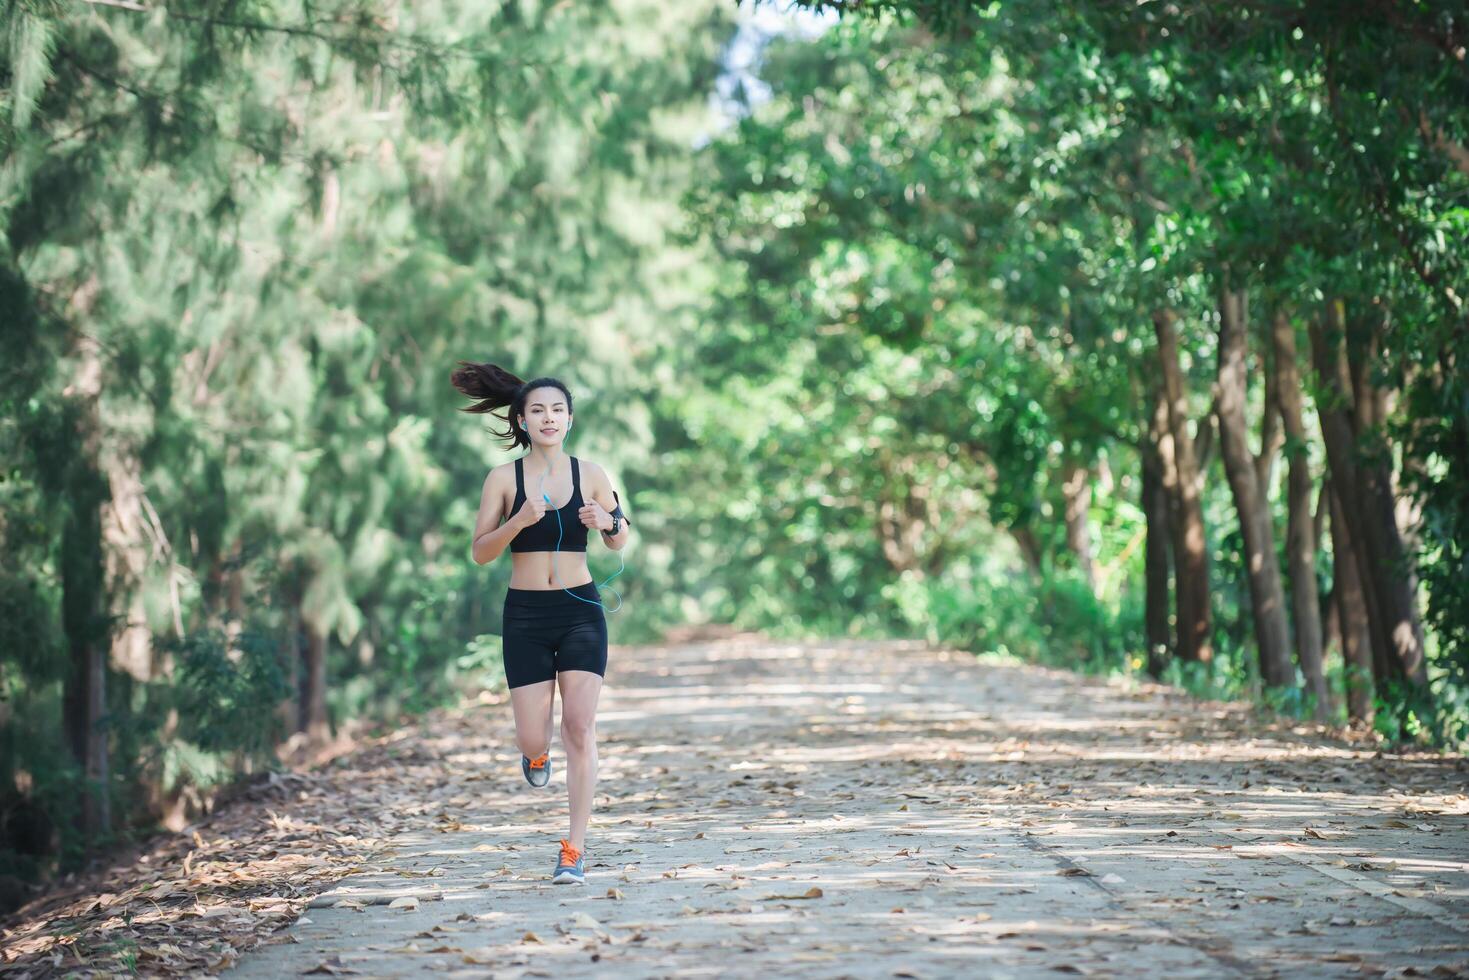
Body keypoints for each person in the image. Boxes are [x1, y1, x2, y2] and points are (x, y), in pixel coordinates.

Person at [451, 362, 632, 886]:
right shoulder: (503, 479)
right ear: (523, 421)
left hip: (580, 609)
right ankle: (534, 755)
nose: (548, 418)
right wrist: (519, 521)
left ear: (569, 420)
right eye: (538, 411)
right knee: (534, 737)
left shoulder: (591, 474)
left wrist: (608, 523)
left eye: (557, 410)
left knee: (579, 725)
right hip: (526, 616)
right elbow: (481, 552)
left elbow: (620, 537)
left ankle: (573, 848)